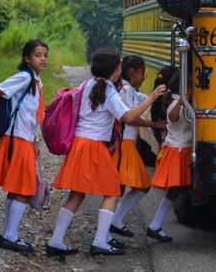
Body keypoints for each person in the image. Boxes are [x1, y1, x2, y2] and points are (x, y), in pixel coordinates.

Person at [47, 49, 166, 256]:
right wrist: (152, 98)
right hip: (94, 146)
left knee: (76, 194)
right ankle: (100, 241)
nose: (121, 69)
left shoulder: (87, 85)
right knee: (112, 192)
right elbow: (128, 117)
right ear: (114, 70)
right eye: (119, 66)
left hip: (79, 145)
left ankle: (56, 240)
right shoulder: (110, 91)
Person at [0, 39, 49, 253]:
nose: (43, 59)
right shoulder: (24, 77)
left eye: (45, 55)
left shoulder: (35, 81)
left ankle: (8, 234)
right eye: (37, 55)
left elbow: (28, 115)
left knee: (17, 188)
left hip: (24, 139)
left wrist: (35, 140)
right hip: (16, 140)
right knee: (23, 189)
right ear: (27, 58)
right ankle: (10, 236)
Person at [109, 55, 167, 238]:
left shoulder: (130, 90)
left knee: (121, 188)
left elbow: (142, 101)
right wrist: (155, 125)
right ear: (132, 72)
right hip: (124, 144)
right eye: (143, 73)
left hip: (127, 144)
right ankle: (109, 227)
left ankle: (113, 223)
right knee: (129, 187)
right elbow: (131, 117)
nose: (144, 77)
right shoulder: (126, 90)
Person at [147, 67, 192, 243]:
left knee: (177, 190)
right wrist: (182, 101)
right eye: (190, 86)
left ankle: (156, 225)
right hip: (177, 150)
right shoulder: (175, 103)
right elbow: (173, 118)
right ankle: (155, 225)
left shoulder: (182, 101)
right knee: (174, 190)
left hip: (183, 149)